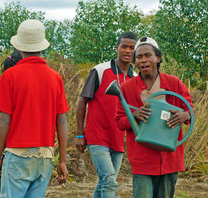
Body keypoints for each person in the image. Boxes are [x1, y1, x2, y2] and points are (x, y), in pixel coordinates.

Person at [0, 19, 69, 198]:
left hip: (18, 156)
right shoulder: (55, 78)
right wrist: (62, 161)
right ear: (42, 46)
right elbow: (62, 122)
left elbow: (4, 120)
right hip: (45, 157)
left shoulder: (10, 76)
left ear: (19, 46)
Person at [115, 37, 193, 198]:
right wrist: (134, 116)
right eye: (139, 57)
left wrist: (183, 116)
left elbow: (189, 110)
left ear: (158, 58)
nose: (143, 60)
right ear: (135, 62)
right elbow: (119, 121)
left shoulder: (174, 83)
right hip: (142, 159)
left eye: (148, 55)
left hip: (170, 158)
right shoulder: (127, 88)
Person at [76, 31, 138, 197]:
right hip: (97, 136)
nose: (128, 51)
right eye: (124, 46)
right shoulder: (100, 70)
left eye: (132, 48)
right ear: (117, 47)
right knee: (110, 181)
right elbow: (82, 102)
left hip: (119, 138)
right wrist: (80, 134)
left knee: (105, 183)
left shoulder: (136, 78)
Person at [0, 50, 22, 194]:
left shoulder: (3, 86)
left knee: (4, 186)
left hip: (4, 142)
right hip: (19, 143)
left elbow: (0, 123)